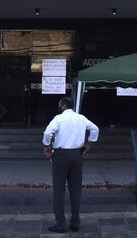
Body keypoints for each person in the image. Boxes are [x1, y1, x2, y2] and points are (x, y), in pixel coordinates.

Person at [42, 96, 99, 234]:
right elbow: (95, 129)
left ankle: (60, 223)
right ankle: (75, 222)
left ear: (62, 105)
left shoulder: (58, 119)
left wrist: (47, 145)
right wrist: (88, 143)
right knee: (75, 190)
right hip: (76, 155)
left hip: (61, 156)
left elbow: (47, 132)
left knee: (59, 191)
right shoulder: (81, 118)